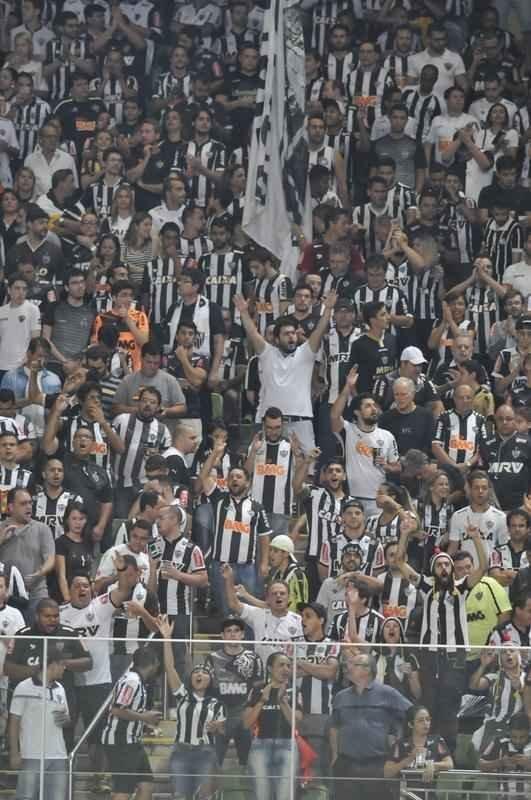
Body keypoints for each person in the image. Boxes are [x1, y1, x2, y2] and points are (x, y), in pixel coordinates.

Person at [397, 522, 488, 751]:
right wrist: (405, 534)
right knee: (429, 703)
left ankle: (449, 754)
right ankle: (429, 752)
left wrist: (476, 538)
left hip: (455, 656)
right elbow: (399, 562)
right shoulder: (426, 586)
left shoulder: (462, 587)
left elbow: (483, 566)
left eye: (447, 564)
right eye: (440, 565)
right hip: (429, 654)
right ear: (433, 570)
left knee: (450, 705)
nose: (444, 568)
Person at [233, 290, 337, 453]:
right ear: (276, 339)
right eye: (286, 334)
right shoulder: (267, 353)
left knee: (308, 465)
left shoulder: (305, 352)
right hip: (271, 424)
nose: (291, 337)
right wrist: (244, 313)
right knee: (266, 465)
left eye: (293, 333)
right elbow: (252, 333)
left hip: (301, 422)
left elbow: (319, 330)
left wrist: (328, 309)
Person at [157, 616, 225, 800]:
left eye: (204, 672)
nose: (199, 674)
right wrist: (167, 639)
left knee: (204, 796)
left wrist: (219, 726)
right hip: (181, 752)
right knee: (180, 796)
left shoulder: (216, 704)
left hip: (205, 753)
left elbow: (222, 729)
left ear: (211, 680)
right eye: (196, 672)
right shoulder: (182, 695)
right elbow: (170, 667)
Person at [330, 651, 411, 800]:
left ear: (367, 669)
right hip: (346, 764)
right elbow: (334, 726)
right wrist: (335, 755)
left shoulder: (388, 693)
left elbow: (412, 714)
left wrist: (397, 743)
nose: (348, 667)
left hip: (377, 764)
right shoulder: (340, 696)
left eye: (354, 664)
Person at [331, 373, 400, 515]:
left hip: (378, 500)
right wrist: (347, 387)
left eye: (374, 405)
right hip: (352, 498)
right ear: (357, 412)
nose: (374, 409)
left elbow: (397, 467)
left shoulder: (387, 436)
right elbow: (334, 416)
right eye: (368, 406)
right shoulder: (348, 430)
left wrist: (386, 466)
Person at [8, 649, 71, 800]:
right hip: (31, 754)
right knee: (26, 796)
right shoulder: (24, 687)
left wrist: (66, 720)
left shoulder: (60, 689)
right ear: (52, 665)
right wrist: (14, 753)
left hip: (58, 755)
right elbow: (14, 722)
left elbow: (66, 719)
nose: (65, 668)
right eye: (62, 664)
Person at [101, 646, 162, 800]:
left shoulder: (136, 680)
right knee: (124, 790)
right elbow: (117, 709)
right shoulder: (132, 681)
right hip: (121, 742)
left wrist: (144, 725)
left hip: (132, 742)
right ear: (153, 663)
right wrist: (144, 717)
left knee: (146, 785)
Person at [205, 615, 263, 769]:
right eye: (229, 631)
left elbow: (259, 688)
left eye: (237, 631)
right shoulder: (212, 658)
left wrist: (252, 714)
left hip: (245, 714)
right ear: (222, 635)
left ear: (242, 634)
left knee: (248, 765)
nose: (233, 634)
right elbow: (207, 689)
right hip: (219, 715)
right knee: (213, 764)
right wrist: (211, 715)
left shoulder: (254, 658)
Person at [243, 651, 302, 800]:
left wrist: (283, 702)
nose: (285, 669)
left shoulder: (294, 690)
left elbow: (297, 724)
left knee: (285, 796)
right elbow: (246, 723)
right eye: (281, 665)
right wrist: (262, 700)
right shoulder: (257, 689)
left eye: (288, 666)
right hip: (261, 745)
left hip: (288, 745)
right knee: (261, 794)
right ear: (270, 668)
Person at [223, 567, 303, 664]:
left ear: (289, 597)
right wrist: (229, 578)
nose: (278, 596)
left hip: (288, 670)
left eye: (282, 593)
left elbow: (301, 652)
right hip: (262, 671)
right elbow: (234, 604)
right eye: (274, 594)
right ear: (267, 598)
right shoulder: (258, 615)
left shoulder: (298, 620)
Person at [0, 488, 55, 616]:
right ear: (11, 507)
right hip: (6, 596)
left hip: (36, 593)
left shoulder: (42, 529)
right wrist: (1, 540)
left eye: (30, 503)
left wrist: (40, 573)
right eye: (23, 503)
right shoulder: (1, 528)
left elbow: (50, 559)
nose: (29, 507)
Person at [384, 704, 454, 790]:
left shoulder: (437, 740)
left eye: (428, 719)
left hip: (430, 793)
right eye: (421, 720)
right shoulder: (400, 744)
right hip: (406, 793)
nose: (426, 723)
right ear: (411, 724)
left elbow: (449, 764)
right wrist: (410, 758)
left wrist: (432, 765)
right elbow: (387, 773)